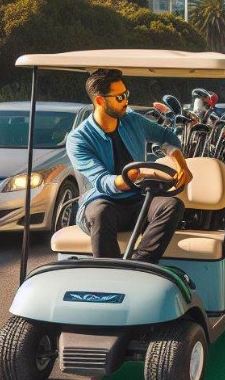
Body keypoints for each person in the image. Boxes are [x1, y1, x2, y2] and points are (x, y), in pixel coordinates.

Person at [66, 68, 193, 263]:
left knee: (172, 205)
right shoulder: (79, 139)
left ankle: (139, 265)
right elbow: (102, 182)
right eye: (119, 97)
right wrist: (129, 177)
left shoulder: (132, 120)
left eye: (126, 94)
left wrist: (177, 157)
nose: (125, 100)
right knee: (102, 212)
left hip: (136, 200)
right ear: (100, 101)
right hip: (102, 203)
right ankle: (106, 274)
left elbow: (168, 137)